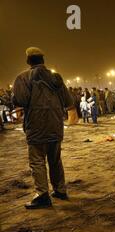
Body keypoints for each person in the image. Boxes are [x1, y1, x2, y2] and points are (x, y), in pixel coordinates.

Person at [12, 47, 73, 209]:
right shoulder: (55, 78)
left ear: (28, 61)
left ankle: (42, 195)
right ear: (43, 60)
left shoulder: (23, 77)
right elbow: (68, 102)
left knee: (37, 160)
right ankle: (60, 190)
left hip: (36, 126)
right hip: (55, 126)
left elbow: (21, 100)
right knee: (55, 159)